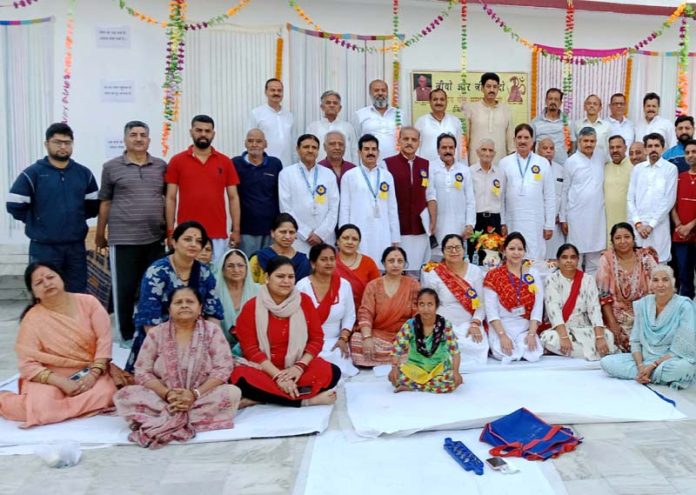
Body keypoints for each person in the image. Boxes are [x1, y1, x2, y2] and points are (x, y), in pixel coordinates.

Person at [114, 287, 241, 448]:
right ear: (169, 308)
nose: (184, 305)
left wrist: (194, 394)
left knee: (232, 393)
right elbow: (142, 370)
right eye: (178, 302)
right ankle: (182, 414)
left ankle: (166, 417)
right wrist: (167, 393)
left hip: (200, 396)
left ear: (200, 307)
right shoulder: (156, 333)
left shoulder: (212, 331)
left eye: (190, 302)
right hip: (163, 397)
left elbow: (223, 368)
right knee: (124, 395)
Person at [0, 263, 125, 427]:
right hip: (50, 376)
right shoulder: (32, 319)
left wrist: (93, 374)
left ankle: (49, 409)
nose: (47, 283)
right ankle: (6, 401)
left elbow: (104, 340)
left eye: (50, 277)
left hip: (89, 370)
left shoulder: (88, 303)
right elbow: (27, 364)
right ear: (34, 292)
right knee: (43, 405)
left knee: (107, 394)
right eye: (39, 282)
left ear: (61, 278)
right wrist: (61, 383)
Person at [231, 256, 341, 407]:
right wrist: (278, 376)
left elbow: (316, 339)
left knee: (332, 372)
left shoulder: (304, 302)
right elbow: (250, 349)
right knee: (238, 377)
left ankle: (264, 397)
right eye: (280, 276)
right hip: (265, 369)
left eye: (291, 277)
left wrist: (299, 367)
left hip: (297, 367)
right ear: (267, 278)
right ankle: (306, 400)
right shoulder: (252, 307)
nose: (286, 281)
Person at [6, 123, 99, 293]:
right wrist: (38, 221)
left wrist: (75, 219)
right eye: (57, 142)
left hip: (75, 247)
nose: (63, 147)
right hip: (44, 248)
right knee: (45, 293)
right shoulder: (32, 173)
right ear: (46, 144)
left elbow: (94, 205)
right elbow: (15, 205)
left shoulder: (84, 173)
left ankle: (73, 321)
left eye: (67, 142)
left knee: (76, 293)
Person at [96, 121, 167, 342]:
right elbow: (105, 202)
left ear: (149, 140)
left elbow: (167, 198)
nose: (138, 139)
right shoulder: (111, 167)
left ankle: (154, 335)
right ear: (125, 139)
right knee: (124, 291)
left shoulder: (160, 166)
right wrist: (100, 234)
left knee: (155, 288)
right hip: (123, 239)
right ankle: (125, 335)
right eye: (133, 135)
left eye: (143, 135)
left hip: (155, 238)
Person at [126, 221, 224, 372]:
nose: (193, 244)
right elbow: (149, 320)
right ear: (174, 242)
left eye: (198, 241)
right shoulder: (158, 272)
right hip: (159, 340)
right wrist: (170, 353)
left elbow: (213, 312)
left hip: (196, 339)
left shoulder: (204, 272)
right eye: (187, 239)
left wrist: (210, 344)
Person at [601, 265, 696, 390]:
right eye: (656, 280)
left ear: (673, 282)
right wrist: (641, 366)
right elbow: (635, 340)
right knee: (607, 362)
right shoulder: (643, 304)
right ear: (651, 284)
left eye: (665, 279)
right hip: (645, 359)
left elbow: (682, 347)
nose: (660, 284)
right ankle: (647, 374)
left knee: (684, 368)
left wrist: (653, 365)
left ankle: (648, 374)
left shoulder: (684, 305)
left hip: (670, 360)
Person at [165, 114, 241, 267]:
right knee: (185, 275)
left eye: (207, 131)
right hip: (186, 233)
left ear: (213, 134)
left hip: (217, 233)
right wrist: (170, 231)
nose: (203, 134)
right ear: (191, 132)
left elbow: (233, 197)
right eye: (198, 130)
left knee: (215, 279)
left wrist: (236, 229)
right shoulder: (177, 161)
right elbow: (171, 198)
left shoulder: (225, 161)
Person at [541, 244, 616, 360]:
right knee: (548, 338)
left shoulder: (588, 279)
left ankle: (575, 352)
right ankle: (595, 353)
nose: (569, 261)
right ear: (558, 261)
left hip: (584, 327)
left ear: (578, 260)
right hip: (561, 329)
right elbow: (553, 310)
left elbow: (594, 309)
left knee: (608, 336)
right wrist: (564, 337)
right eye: (564, 257)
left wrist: (600, 337)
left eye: (573, 257)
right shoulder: (551, 279)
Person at [421, 234, 488, 365]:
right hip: (443, 322)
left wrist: (475, 324)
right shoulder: (434, 273)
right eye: (449, 248)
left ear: (464, 250)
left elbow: (481, 304)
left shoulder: (475, 271)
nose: (454, 251)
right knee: (441, 347)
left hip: (469, 323)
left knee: (475, 347)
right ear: (443, 252)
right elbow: (429, 305)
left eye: (457, 247)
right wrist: (440, 327)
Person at [296, 243, 358, 377]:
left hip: (336, 340)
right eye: (324, 259)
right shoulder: (302, 286)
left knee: (339, 361)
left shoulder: (344, 285)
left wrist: (343, 338)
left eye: (332, 259)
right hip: (309, 342)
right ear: (313, 263)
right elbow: (297, 320)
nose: (329, 263)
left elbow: (350, 315)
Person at [339, 134, 400, 268]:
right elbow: (344, 208)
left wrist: (395, 237)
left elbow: (392, 208)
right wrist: (343, 236)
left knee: (381, 266)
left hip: (382, 231)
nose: (370, 152)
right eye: (366, 149)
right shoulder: (349, 176)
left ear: (378, 152)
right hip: (358, 229)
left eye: (373, 149)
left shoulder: (386, 176)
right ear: (359, 152)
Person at [352, 247, 420, 367]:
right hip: (378, 335)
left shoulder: (413, 285)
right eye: (391, 261)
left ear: (405, 264)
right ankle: (399, 359)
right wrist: (367, 337)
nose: (395, 265)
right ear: (384, 263)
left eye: (400, 261)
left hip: (403, 335)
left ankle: (379, 360)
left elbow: (418, 315)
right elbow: (365, 313)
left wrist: (408, 337)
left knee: (424, 342)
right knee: (357, 341)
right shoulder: (373, 285)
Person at [596, 222, 658, 351]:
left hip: (645, 314)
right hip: (616, 316)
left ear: (633, 239)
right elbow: (603, 295)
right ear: (612, 241)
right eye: (618, 238)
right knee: (613, 343)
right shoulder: (606, 260)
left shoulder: (645, 257)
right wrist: (613, 323)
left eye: (627, 237)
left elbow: (658, 288)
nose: (623, 241)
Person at [483, 232, 544, 363]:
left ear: (524, 252)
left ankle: (521, 345)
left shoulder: (532, 274)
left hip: (524, 327)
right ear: (504, 251)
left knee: (534, 353)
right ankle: (507, 344)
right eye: (512, 249)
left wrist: (531, 333)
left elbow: (538, 307)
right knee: (505, 352)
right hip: (502, 326)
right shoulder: (494, 275)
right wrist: (502, 335)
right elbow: (491, 311)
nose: (516, 252)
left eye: (520, 249)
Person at [389, 289, 463, 393]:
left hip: (438, 369)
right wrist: (394, 368)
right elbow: (397, 349)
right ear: (417, 306)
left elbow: (455, 352)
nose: (426, 309)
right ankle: (430, 386)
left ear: (436, 306)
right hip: (415, 368)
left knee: (451, 381)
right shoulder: (410, 325)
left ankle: (414, 387)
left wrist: (456, 372)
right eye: (422, 304)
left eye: (430, 304)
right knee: (393, 377)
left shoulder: (444, 325)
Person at [500, 124, 556, 261]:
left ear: (532, 141)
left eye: (526, 137)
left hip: (535, 220)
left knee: (535, 256)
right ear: (514, 141)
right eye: (519, 137)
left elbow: (549, 196)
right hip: (513, 218)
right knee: (513, 254)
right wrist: (502, 222)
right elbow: (500, 197)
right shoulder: (504, 163)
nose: (522, 141)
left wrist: (549, 224)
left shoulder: (542, 163)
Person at [385, 127, 436, 274]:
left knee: (419, 271)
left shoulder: (426, 165)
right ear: (399, 140)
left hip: (420, 226)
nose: (409, 143)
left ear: (419, 143)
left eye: (414, 140)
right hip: (397, 228)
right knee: (399, 269)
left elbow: (431, 195)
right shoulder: (387, 164)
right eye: (406, 139)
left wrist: (433, 220)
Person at [279, 134, 339, 254]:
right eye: (306, 147)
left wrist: (320, 234)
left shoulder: (328, 174)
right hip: (298, 238)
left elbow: (334, 207)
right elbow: (286, 208)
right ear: (297, 149)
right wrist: (305, 233)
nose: (310, 150)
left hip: (324, 237)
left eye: (314, 147)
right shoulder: (286, 174)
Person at [560, 127, 606, 275]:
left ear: (596, 142)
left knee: (595, 260)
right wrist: (563, 217)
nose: (589, 144)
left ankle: (592, 293)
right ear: (579, 142)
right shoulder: (571, 162)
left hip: (597, 217)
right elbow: (564, 190)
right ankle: (576, 293)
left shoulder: (601, 156)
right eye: (585, 141)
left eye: (592, 141)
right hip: (576, 216)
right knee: (575, 257)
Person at [627, 133, 678, 263]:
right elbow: (630, 199)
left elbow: (668, 201)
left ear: (663, 148)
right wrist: (638, 224)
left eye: (657, 146)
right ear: (645, 149)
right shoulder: (638, 169)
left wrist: (650, 225)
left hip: (658, 227)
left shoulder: (670, 169)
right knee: (638, 266)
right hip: (638, 227)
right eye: (650, 146)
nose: (653, 149)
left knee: (659, 264)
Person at [232, 128, 283, 257]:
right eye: (250, 141)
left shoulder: (275, 164)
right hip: (245, 230)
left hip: (270, 230)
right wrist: (235, 230)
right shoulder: (235, 164)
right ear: (245, 143)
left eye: (259, 141)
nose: (254, 144)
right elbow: (232, 197)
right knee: (248, 267)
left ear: (265, 144)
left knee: (269, 267)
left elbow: (280, 196)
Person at [426, 134, 475, 259]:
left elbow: (470, 200)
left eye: (451, 147)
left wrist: (470, 224)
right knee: (437, 263)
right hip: (437, 226)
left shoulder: (464, 170)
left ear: (455, 149)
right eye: (444, 148)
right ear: (438, 150)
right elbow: (429, 195)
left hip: (459, 226)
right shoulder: (430, 168)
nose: (448, 151)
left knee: (457, 259)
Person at [215, 249, 259, 353]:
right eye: (230, 266)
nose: (236, 269)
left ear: (247, 268)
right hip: (220, 348)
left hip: (252, 347)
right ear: (222, 269)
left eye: (240, 265)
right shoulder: (214, 293)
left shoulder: (259, 291)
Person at [248, 213, 311, 284]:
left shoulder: (303, 262)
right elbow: (250, 286)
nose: (287, 236)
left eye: (291, 232)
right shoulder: (258, 258)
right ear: (272, 233)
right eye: (283, 232)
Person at [467, 72, 514, 163]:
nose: (492, 90)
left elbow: (510, 141)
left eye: (495, 87)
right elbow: (466, 140)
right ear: (482, 88)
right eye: (488, 86)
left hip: (500, 162)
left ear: (498, 88)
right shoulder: (471, 109)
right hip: (475, 162)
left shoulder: (506, 110)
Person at [247, 78, 294, 167]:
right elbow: (249, 141)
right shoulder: (256, 113)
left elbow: (293, 142)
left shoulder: (289, 116)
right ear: (266, 92)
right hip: (264, 165)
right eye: (273, 90)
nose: (276, 93)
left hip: (287, 164)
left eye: (279, 90)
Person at [469, 138, 504, 260]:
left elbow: (503, 200)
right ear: (477, 152)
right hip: (476, 219)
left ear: (494, 154)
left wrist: (503, 222)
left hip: (494, 219)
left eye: (490, 150)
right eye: (484, 149)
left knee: (493, 255)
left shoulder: (500, 173)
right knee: (474, 253)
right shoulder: (470, 172)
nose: (487, 153)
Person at [670, 139, 696, 298]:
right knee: (683, 276)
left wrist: (690, 226)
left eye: (694, 152)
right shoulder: (679, 176)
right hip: (680, 235)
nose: (690, 155)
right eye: (687, 153)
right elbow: (672, 203)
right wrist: (679, 224)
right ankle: (686, 314)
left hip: (691, 231)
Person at [334, 224, 381, 311]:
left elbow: (378, 291)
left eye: (354, 239)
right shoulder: (330, 262)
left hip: (363, 311)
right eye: (345, 238)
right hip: (334, 310)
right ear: (337, 241)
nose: (350, 242)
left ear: (359, 243)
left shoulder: (368, 263)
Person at [307, 90, 358, 163]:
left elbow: (354, 151)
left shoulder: (348, 127)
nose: (332, 105)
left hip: (345, 171)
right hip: (319, 170)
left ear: (340, 108)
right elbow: (308, 150)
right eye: (328, 103)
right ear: (322, 107)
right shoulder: (312, 127)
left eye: (335, 103)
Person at [414, 88, 464, 163]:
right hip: (427, 168)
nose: (439, 102)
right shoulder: (421, 121)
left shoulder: (455, 121)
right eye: (435, 99)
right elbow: (416, 147)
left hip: (451, 169)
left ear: (446, 102)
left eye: (442, 99)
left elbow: (461, 147)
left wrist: (463, 166)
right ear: (430, 102)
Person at [353, 79, 399, 159]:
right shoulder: (360, 114)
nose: (380, 93)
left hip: (396, 163)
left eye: (383, 90)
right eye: (376, 90)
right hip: (370, 163)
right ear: (370, 93)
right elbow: (356, 142)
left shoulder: (400, 114)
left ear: (387, 93)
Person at [537, 136, 566, 260]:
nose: (548, 151)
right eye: (545, 148)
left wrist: (562, 215)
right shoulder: (534, 168)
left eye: (551, 148)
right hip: (538, 222)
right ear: (538, 150)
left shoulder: (561, 169)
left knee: (555, 259)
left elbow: (564, 194)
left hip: (556, 223)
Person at [604, 135, 633, 246]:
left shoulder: (633, 167)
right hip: (609, 220)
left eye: (618, 147)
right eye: (612, 147)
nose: (615, 150)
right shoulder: (605, 167)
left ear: (625, 148)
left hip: (628, 219)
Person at [531, 88, 568, 164]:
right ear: (546, 101)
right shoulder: (535, 122)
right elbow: (531, 145)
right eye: (550, 99)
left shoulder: (567, 122)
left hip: (561, 165)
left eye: (556, 99)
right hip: (540, 165)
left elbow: (572, 145)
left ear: (560, 103)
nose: (553, 102)